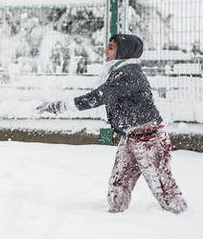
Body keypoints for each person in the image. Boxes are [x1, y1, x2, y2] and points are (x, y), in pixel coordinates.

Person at [36, 34, 187, 214]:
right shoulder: (118, 72)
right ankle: (114, 217)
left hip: (149, 138)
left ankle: (179, 215)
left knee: (161, 183)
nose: (105, 51)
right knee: (119, 180)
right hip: (131, 135)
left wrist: (58, 106)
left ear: (123, 51)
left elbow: (96, 97)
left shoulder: (129, 73)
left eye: (111, 47)